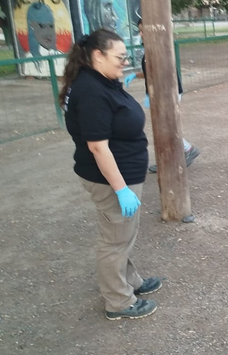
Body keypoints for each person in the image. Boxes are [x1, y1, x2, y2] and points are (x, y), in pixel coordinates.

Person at [60, 29, 162, 321]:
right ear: (97, 55)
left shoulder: (104, 81)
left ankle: (131, 282)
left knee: (123, 234)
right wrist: (120, 189)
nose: (124, 62)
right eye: (120, 57)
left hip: (124, 174)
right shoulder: (91, 91)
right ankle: (118, 302)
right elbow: (97, 147)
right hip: (109, 180)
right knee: (115, 240)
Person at [124, 18, 200, 173]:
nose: (141, 34)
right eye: (140, 30)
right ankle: (172, 157)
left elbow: (163, 75)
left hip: (166, 94)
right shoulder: (150, 49)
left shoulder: (159, 49)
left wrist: (156, 97)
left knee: (166, 128)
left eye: (143, 30)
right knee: (164, 128)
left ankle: (184, 152)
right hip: (158, 94)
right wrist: (134, 75)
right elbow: (149, 72)